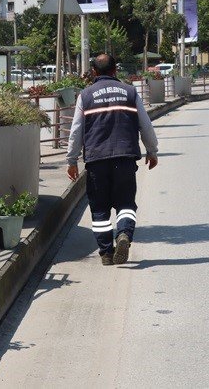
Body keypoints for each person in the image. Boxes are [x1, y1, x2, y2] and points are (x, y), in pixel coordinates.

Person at [66, 54, 158, 265]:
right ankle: (124, 234)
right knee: (126, 203)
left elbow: (76, 130)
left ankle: (106, 253)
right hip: (125, 158)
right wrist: (152, 151)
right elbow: (145, 125)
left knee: (99, 209)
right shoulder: (130, 91)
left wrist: (71, 160)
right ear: (116, 70)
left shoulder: (86, 95)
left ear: (94, 72)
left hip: (97, 161)